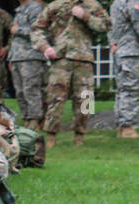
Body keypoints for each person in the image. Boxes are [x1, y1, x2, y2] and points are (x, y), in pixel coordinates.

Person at [32, 0, 109, 147]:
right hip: (61, 59)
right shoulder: (55, 5)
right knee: (55, 98)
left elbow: (106, 25)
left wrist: (85, 16)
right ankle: (51, 137)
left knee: (86, 100)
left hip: (84, 59)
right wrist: (45, 47)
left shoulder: (93, 5)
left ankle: (80, 137)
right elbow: (36, 28)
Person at [10, 0, 49, 130]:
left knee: (31, 89)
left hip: (31, 55)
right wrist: (11, 57)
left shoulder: (35, 8)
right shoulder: (19, 9)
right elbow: (14, 38)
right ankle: (27, 118)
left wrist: (17, 29)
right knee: (20, 91)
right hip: (17, 57)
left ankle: (35, 119)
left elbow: (38, 32)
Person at [112, 0, 139, 138]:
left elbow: (113, 29)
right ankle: (128, 127)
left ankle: (122, 126)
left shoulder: (117, 3)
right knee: (131, 89)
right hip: (132, 52)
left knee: (123, 89)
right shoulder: (133, 2)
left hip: (122, 51)